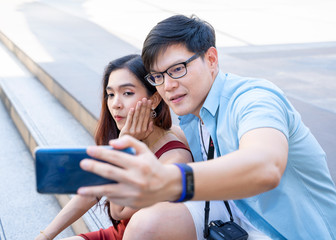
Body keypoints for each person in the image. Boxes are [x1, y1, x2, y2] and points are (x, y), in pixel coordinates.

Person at [76, 15, 336, 239]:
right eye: (158, 76)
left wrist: (168, 179)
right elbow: (118, 208)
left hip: (290, 232)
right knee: (146, 225)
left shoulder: (254, 98)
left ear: (211, 59)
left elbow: (265, 166)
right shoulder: (191, 117)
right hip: (233, 218)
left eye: (177, 69)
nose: (167, 85)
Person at [35, 54, 193, 240]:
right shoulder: (139, 139)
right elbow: (93, 189)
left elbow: (118, 212)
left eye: (127, 93)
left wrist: (123, 144)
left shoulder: (173, 157)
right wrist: (45, 236)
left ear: (155, 100)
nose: (115, 104)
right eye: (110, 94)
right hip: (118, 234)